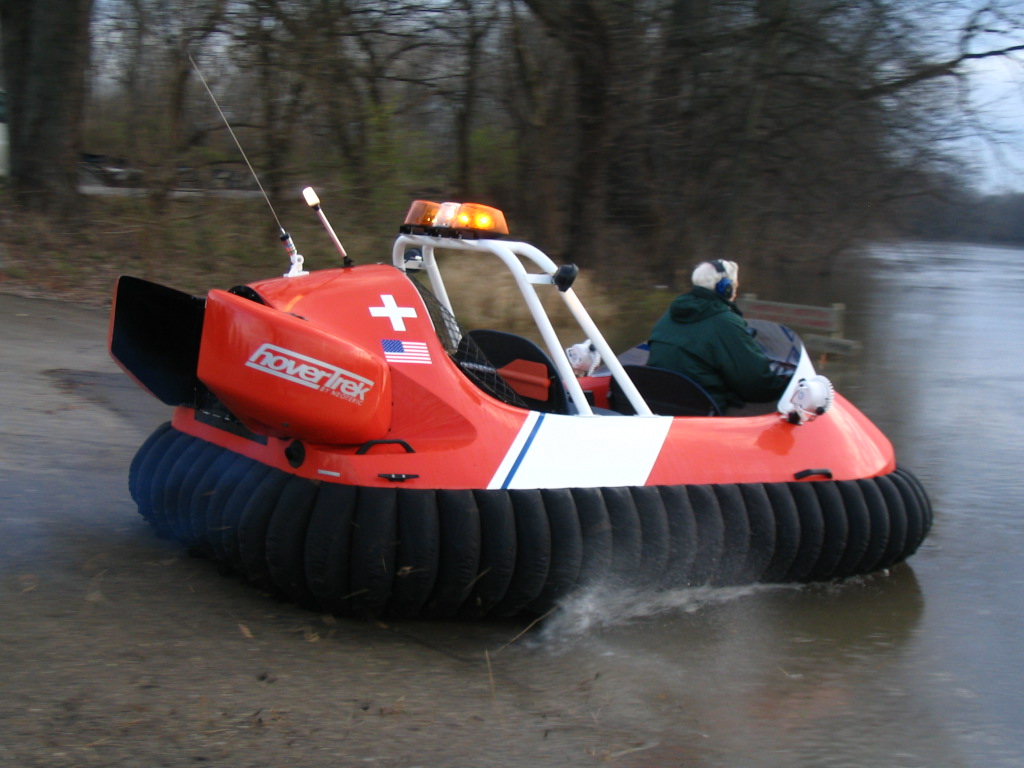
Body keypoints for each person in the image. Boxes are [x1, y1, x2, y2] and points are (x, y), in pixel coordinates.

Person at [646, 259, 788, 413]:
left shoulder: (671, 314)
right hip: (702, 411)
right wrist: (784, 386)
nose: (736, 289)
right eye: (734, 285)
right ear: (725, 288)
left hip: (660, 403)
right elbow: (756, 384)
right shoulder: (725, 322)